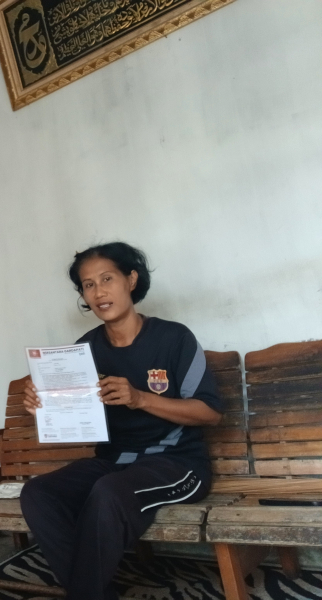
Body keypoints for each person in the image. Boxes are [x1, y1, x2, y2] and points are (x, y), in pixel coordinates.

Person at [19, 242, 223, 600]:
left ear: (131, 280)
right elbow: (76, 419)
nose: (98, 292)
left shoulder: (174, 338)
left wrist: (140, 398)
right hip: (112, 464)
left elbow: (210, 413)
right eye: (88, 285)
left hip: (178, 464)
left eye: (107, 279)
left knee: (109, 492)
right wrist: (45, 406)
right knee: (38, 493)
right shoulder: (83, 351)